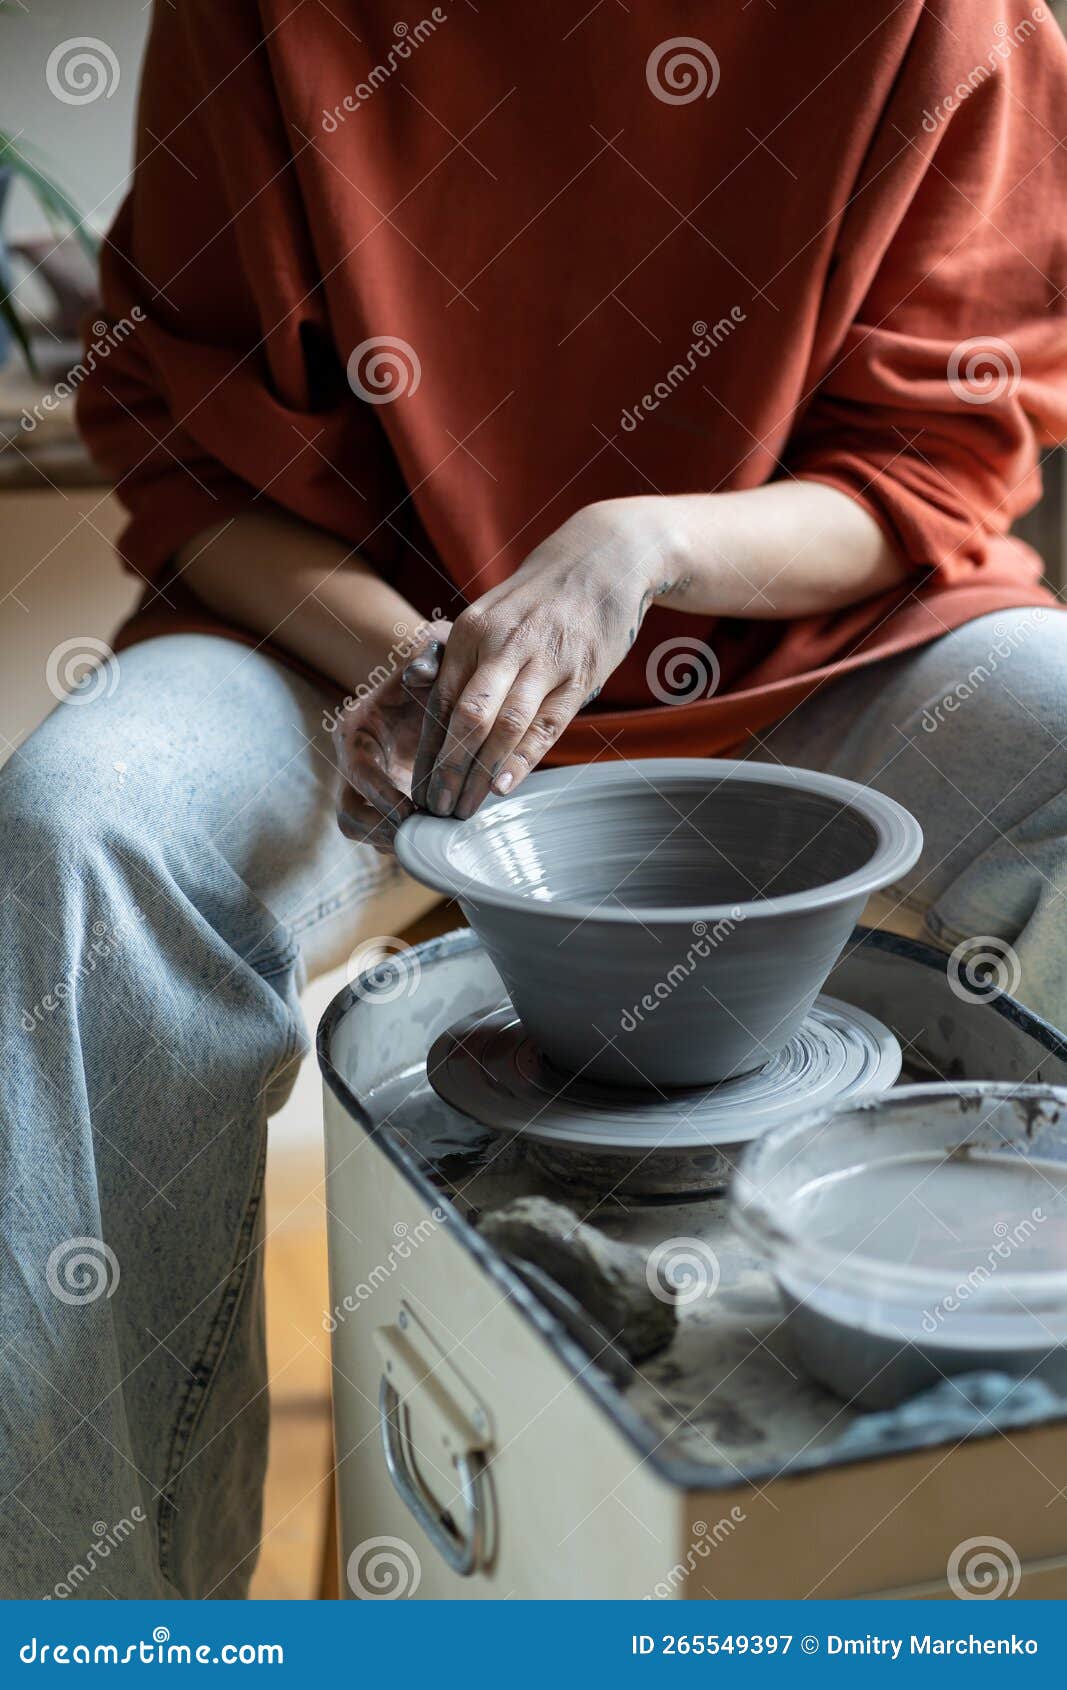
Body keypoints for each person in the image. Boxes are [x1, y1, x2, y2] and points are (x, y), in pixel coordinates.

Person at [2, 0, 1065, 1597]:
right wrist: (405, 660)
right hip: (348, 647)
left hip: (803, 636)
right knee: (76, 836)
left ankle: (995, 1507)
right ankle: (108, 1625)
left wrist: (648, 545)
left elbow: (934, 462)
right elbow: (182, 459)